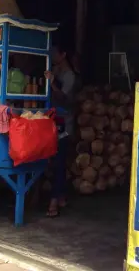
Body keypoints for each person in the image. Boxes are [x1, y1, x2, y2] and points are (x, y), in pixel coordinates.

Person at [44, 43, 76, 217]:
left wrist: (52, 82)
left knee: (59, 163)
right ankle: (61, 196)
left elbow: (62, 98)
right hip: (52, 122)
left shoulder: (69, 76)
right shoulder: (55, 71)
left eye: (55, 53)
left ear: (63, 54)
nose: (52, 56)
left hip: (64, 125)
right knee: (55, 163)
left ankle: (54, 202)